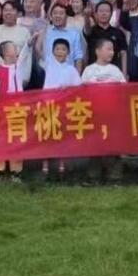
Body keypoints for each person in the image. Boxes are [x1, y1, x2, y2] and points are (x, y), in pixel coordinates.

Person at [81, 37, 127, 183]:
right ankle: (93, 176)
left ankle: (115, 177)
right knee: (95, 144)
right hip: (95, 114)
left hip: (112, 114)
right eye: (108, 49)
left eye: (112, 50)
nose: (112, 52)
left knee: (113, 144)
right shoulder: (89, 70)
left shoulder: (115, 70)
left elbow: (124, 90)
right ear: (98, 51)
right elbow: (81, 92)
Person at [0, 38, 35, 181]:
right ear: (6, 53)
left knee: (16, 138)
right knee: (0, 138)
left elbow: (25, 53)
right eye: (14, 48)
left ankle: (16, 170)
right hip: (2, 109)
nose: (17, 51)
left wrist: (29, 43)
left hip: (17, 108)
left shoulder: (18, 66)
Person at [40, 38, 82, 179]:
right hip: (48, 105)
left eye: (63, 49)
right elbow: (38, 51)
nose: (60, 52)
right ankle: (45, 166)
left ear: (68, 52)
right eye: (57, 49)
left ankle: (61, 166)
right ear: (53, 51)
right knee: (47, 136)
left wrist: (67, 88)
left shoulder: (71, 69)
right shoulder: (49, 64)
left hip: (63, 107)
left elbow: (78, 87)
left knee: (62, 136)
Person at [37, 2, 87, 75]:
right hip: (47, 73)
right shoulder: (45, 31)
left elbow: (78, 56)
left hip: (68, 74)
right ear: (51, 16)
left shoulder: (74, 33)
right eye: (55, 13)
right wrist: (47, 61)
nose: (58, 16)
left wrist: (77, 75)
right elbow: (38, 48)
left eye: (61, 13)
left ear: (66, 16)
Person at [85, 1, 128, 76]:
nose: (104, 13)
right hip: (94, 73)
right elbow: (87, 29)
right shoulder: (91, 31)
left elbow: (123, 53)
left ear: (111, 14)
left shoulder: (118, 32)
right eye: (101, 11)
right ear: (96, 14)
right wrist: (86, 16)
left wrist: (124, 73)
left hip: (113, 72)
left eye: (107, 11)